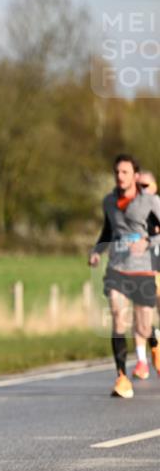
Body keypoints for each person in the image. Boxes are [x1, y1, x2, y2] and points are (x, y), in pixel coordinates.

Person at [88, 155, 160, 397]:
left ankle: (155, 344)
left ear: (135, 176)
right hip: (117, 269)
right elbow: (107, 230)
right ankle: (121, 377)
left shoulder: (150, 201)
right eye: (117, 172)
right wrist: (98, 251)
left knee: (142, 326)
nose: (120, 176)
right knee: (118, 319)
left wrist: (148, 240)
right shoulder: (109, 201)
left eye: (125, 172)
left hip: (143, 270)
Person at [138, 170, 160, 373]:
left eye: (145, 186)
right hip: (143, 269)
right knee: (141, 313)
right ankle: (142, 361)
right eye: (139, 186)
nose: (141, 190)